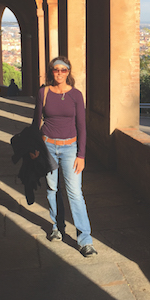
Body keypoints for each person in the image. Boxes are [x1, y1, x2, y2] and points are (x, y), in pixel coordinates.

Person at [32, 56, 97, 257]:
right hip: (48, 146)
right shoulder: (43, 92)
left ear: (69, 72)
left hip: (70, 148)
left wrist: (82, 154)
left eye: (63, 70)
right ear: (51, 72)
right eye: (56, 70)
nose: (59, 73)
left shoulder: (76, 95)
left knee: (75, 193)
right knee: (52, 188)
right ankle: (57, 227)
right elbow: (36, 122)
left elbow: (82, 127)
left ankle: (85, 239)